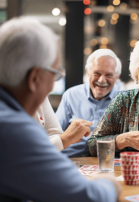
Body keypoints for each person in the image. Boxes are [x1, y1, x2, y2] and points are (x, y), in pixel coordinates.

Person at [0, 17, 120, 202]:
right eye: (55, 74)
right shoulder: (12, 127)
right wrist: (109, 183)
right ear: (35, 79)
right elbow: (89, 197)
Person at [56, 49, 121, 157]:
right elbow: (54, 133)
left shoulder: (124, 99)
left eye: (109, 75)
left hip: (106, 163)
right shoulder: (71, 95)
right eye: (97, 73)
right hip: (72, 159)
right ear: (87, 72)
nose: (101, 80)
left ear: (117, 77)